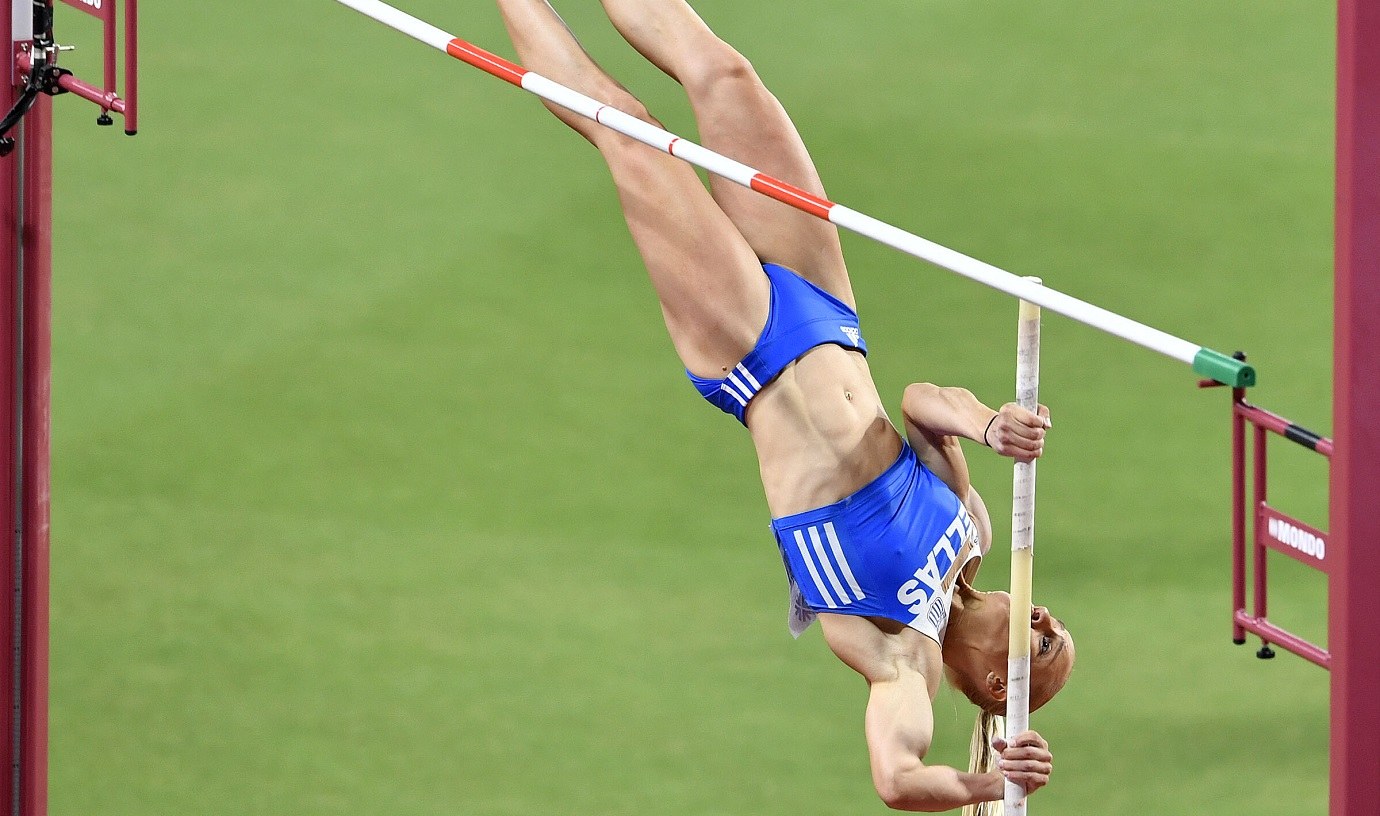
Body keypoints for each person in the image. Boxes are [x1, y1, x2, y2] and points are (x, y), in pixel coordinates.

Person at [494, 1, 1075, 811]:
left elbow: (897, 779)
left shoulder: (897, 660)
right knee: (723, 72)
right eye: (1053, 625)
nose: (1043, 614)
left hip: (751, 354)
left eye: (1043, 644)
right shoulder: (971, 528)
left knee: (626, 128)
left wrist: (987, 782)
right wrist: (987, 423)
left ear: (990, 682)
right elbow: (920, 403)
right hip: (828, 309)